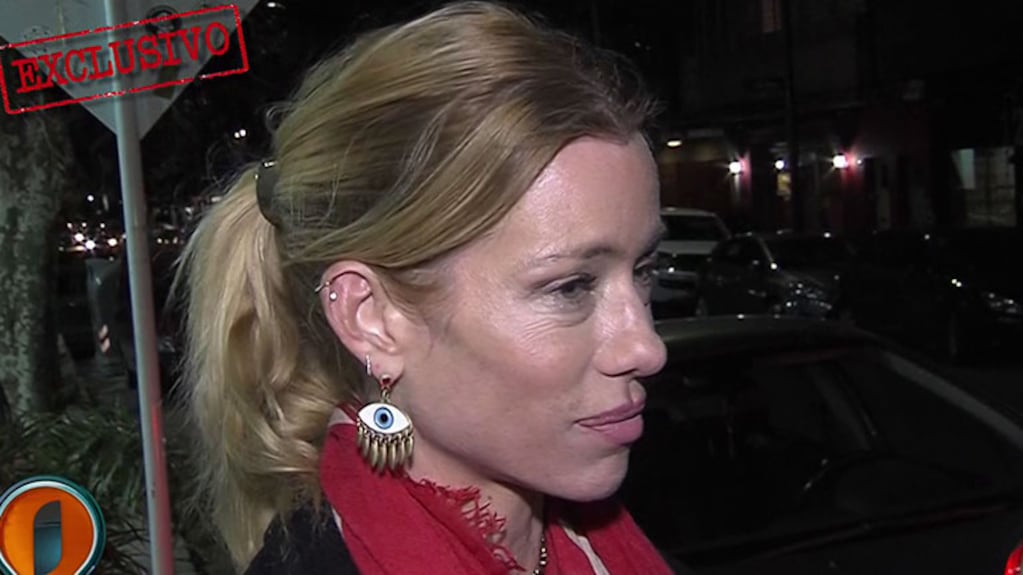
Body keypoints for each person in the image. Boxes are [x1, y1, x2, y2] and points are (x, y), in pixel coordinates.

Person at [178, 2, 684, 573]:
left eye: (644, 270)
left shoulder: (615, 551)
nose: (647, 348)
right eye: (570, 288)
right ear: (372, 319)